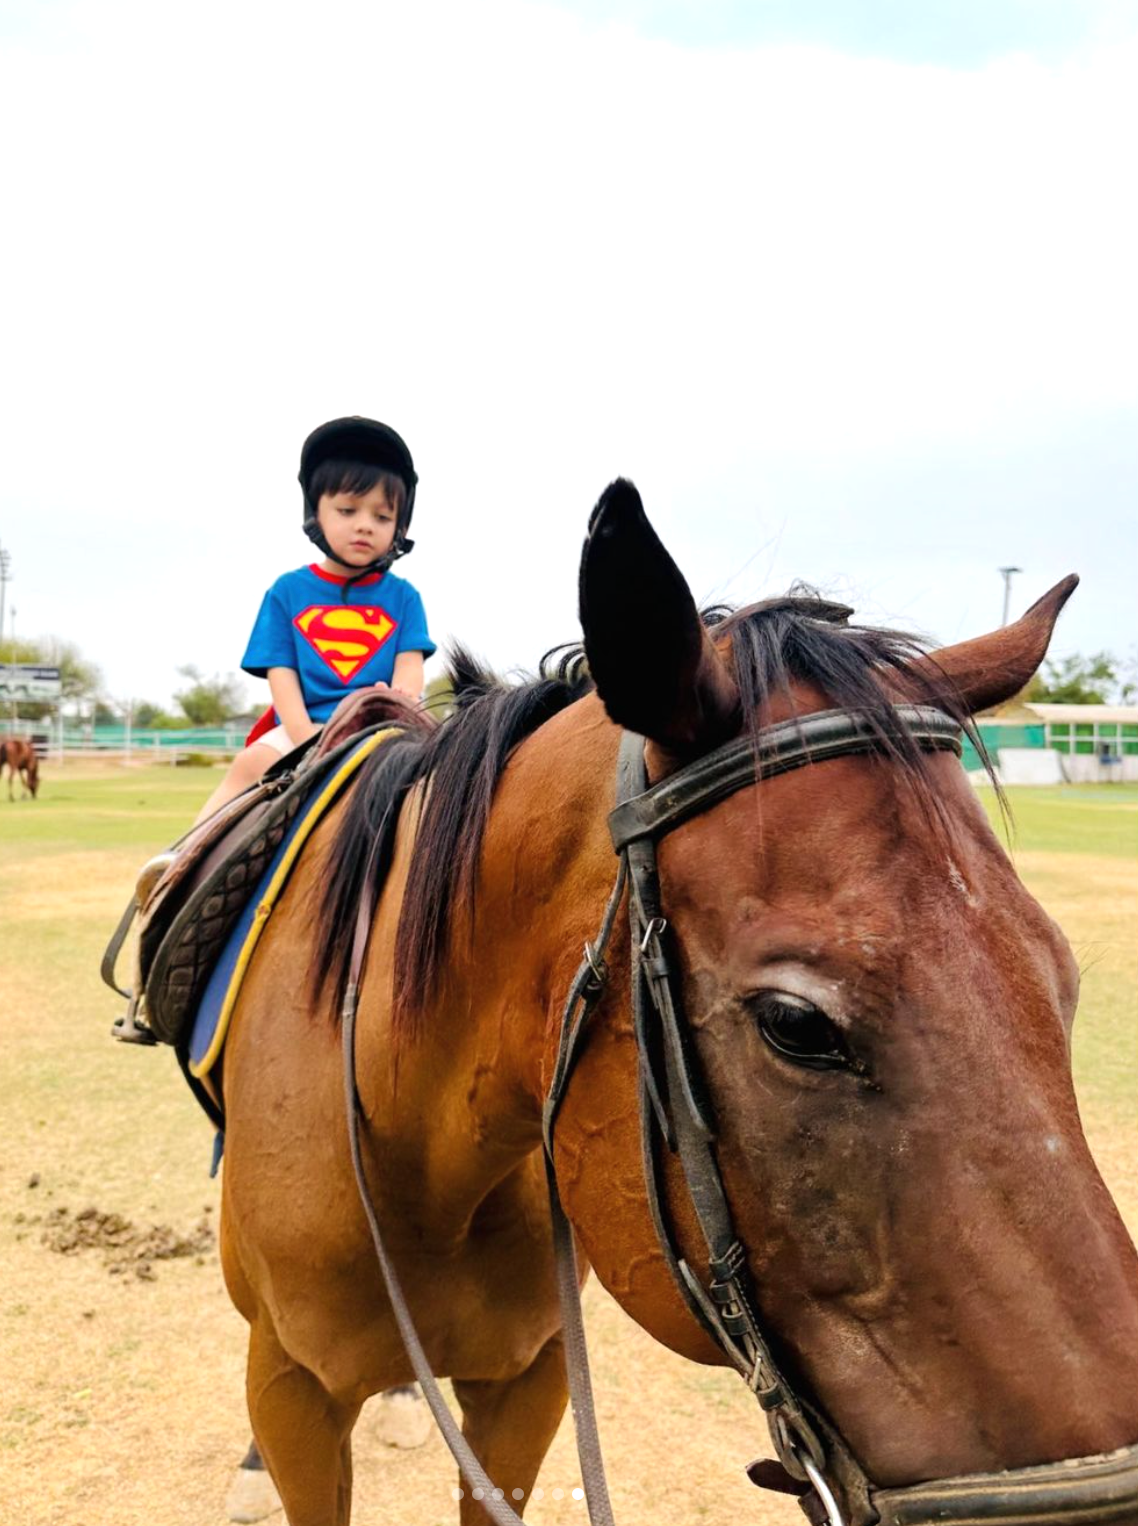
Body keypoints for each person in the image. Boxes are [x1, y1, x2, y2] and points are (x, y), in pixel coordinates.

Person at [191, 416, 434, 825]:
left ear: (399, 526)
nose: (363, 525)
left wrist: (396, 704)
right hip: (303, 728)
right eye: (347, 509)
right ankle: (178, 869)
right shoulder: (287, 592)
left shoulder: (404, 597)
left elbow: (409, 672)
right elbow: (281, 677)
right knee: (249, 765)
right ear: (315, 512)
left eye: (381, 516)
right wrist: (308, 741)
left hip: (379, 730)